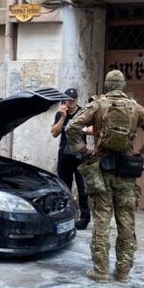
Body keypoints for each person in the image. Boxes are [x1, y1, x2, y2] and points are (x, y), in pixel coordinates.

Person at [66, 70, 144, 283]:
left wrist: (83, 150)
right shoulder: (135, 107)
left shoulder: (97, 105)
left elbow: (72, 126)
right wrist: (142, 151)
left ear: (107, 85)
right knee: (126, 222)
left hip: (101, 168)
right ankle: (122, 272)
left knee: (101, 221)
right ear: (123, 86)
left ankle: (100, 272)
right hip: (126, 173)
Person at [51, 88, 90, 230]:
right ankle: (66, 215)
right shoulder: (60, 114)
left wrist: (83, 129)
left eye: (73, 100)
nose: (71, 103)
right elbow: (54, 133)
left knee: (82, 189)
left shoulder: (84, 113)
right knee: (65, 188)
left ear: (77, 100)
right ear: (64, 100)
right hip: (65, 156)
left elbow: (93, 130)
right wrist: (62, 117)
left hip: (80, 156)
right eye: (68, 100)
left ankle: (84, 218)